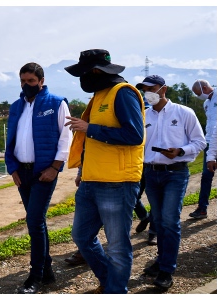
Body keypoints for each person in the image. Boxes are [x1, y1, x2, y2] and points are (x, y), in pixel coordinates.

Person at [64, 49, 145, 294]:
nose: (82, 79)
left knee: (118, 246)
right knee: (81, 237)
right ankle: (110, 281)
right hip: (91, 181)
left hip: (117, 183)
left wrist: (90, 127)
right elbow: (92, 140)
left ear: (96, 72)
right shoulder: (99, 95)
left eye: (84, 73)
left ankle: (115, 291)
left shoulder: (123, 94)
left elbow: (135, 135)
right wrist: (82, 169)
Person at [5, 62, 72, 294]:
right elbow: (11, 139)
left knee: (34, 221)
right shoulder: (16, 106)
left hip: (44, 173)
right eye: (23, 81)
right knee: (36, 222)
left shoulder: (56, 103)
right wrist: (12, 168)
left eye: (31, 81)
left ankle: (35, 277)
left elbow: (66, 137)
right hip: (21, 173)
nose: (26, 85)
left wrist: (55, 167)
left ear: (41, 81)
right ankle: (47, 270)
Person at [137, 75, 206, 289]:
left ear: (163, 89)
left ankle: (167, 270)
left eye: (152, 88)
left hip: (175, 173)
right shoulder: (144, 115)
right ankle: (161, 260)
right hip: (151, 173)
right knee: (158, 219)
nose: (147, 92)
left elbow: (200, 142)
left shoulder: (184, 113)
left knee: (170, 220)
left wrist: (180, 151)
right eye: (144, 89)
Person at [189, 79, 217, 219]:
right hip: (210, 143)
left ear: (205, 88)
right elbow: (209, 126)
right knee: (206, 176)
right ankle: (202, 208)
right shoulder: (206, 104)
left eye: (198, 93)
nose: (198, 96)